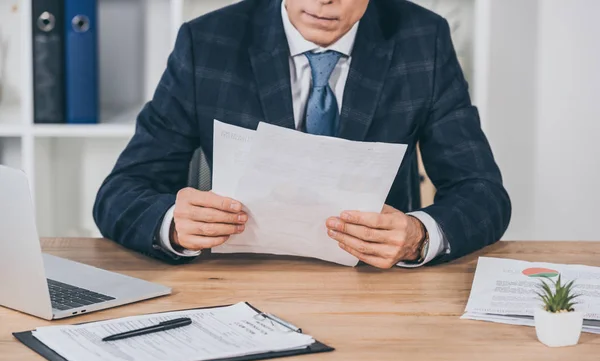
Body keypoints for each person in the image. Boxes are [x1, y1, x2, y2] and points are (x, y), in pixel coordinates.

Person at [93, 0, 511, 269]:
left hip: (375, 282)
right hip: (237, 281)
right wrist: (171, 223)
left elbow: (483, 193)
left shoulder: (423, 38)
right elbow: (121, 191)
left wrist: (418, 236)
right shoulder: (207, 41)